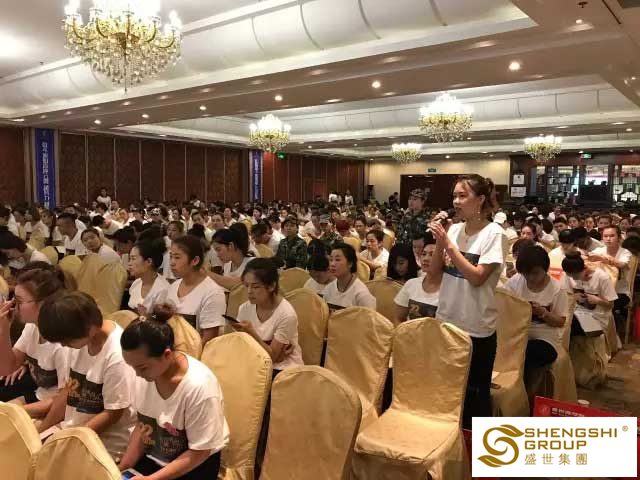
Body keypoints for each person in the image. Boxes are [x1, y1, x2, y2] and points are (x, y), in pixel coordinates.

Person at [428, 174, 507, 428]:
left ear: (481, 199)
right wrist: (440, 241)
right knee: (445, 392)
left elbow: (477, 278)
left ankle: (478, 449)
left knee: (474, 398)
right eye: (454, 196)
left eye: (463, 196)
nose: (456, 201)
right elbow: (434, 275)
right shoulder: (453, 230)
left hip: (476, 328)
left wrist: (448, 244)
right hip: (446, 321)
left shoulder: (494, 234)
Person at [118, 308, 229, 479]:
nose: (137, 374)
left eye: (142, 367)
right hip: (155, 454)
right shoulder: (147, 374)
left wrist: (151, 479)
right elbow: (143, 426)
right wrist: (123, 466)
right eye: (132, 367)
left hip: (194, 465)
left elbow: (200, 452)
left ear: (167, 355)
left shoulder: (199, 386)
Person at [36, 291, 136, 459]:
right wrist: (41, 432)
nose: (63, 345)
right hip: (74, 430)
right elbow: (68, 393)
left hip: (105, 445)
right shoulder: (80, 343)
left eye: (66, 341)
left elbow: (113, 413)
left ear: (88, 328)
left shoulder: (117, 355)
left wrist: (70, 440)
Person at [0, 265, 71, 417]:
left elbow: (64, 400)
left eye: (19, 301)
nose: (13, 306)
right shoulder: (32, 327)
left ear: (43, 303)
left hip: (54, 407)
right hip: (39, 393)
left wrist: (18, 412)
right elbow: (6, 368)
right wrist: (3, 329)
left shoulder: (62, 345)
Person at [504, 246, 567, 384]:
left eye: (535, 273)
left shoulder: (557, 288)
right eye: (526, 274)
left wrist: (543, 313)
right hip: (517, 333)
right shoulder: (516, 281)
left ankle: (524, 390)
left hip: (544, 337)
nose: (531, 278)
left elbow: (560, 321)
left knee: (529, 353)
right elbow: (504, 305)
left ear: (545, 268)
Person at [233, 259, 303, 372]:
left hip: (283, 369)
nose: (249, 291)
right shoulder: (244, 308)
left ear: (271, 286)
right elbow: (240, 346)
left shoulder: (286, 314)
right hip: (254, 362)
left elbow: (271, 357)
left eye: (255, 287)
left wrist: (251, 332)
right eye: (246, 286)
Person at [166, 236, 226, 344]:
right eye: (171, 257)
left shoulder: (213, 293)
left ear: (195, 260)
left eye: (177, 257)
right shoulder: (173, 287)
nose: (172, 263)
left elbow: (208, 341)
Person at [562, 252, 617, 335]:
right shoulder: (569, 275)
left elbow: (611, 305)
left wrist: (598, 301)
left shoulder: (602, 277)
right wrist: (574, 296)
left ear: (583, 269)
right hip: (577, 313)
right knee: (563, 324)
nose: (573, 278)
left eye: (575, 276)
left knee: (568, 327)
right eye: (570, 276)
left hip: (597, 317)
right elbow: (567, 295)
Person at [590, 226, 632, 331]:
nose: (608, 239)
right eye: (605, 236)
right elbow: (588, 258)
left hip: (619, 292)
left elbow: (621, 264)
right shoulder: (599, 250)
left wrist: (602, 258)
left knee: (602, 307)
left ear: (619, 237)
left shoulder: (625, 252)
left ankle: (610, 333)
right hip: (599, 291)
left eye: (612, 236)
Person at [394, 233, 440, 323]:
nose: (425, 259)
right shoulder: (411, 284)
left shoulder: (450, 291)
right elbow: (398, 318)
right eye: (424, 254)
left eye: (432, 255)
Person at [323, 243, 376, 311]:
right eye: (331, 260)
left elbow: (369, 316)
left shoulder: (361, 294)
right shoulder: (329, 288)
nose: (332, 264)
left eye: (337, 260)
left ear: (350, 263)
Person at [128, 238, 170, 315]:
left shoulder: (163, 289)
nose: (129, 263)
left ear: (149, 261)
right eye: (130, 259)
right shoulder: (136, 283)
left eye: (133, 259)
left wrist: (147, 316)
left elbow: (162, 319)